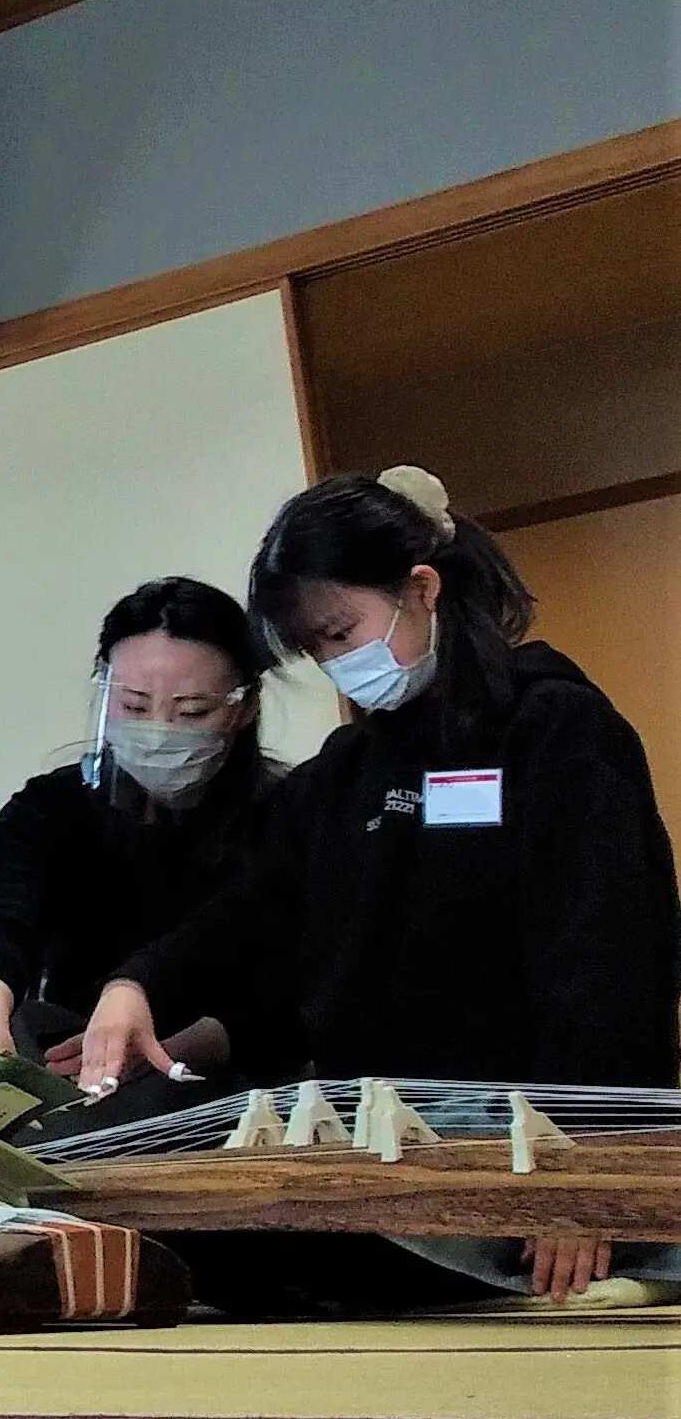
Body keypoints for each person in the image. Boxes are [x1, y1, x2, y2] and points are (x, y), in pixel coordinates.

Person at [79, 467, 681, 1305]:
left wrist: (581, 1179)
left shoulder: (556, 726)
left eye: (340, 632)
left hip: (527, 1140)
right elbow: (250, 914)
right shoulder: (346, 769)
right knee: (158, 1200)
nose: (337, 664)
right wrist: (135, 982)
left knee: (248, 1254)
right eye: (316, 649)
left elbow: (605, 964)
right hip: (385, 1137)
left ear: (422, 590)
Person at [0, 578, 282, 1095]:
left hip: (240, 1082)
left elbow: (291, 986)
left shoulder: (288, 813)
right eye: (133, 706)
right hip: (78, 1068)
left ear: (244, 706)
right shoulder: (50, 808)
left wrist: (162, 1050)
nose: (159, 730)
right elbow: (3, 923)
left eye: (192, 712)